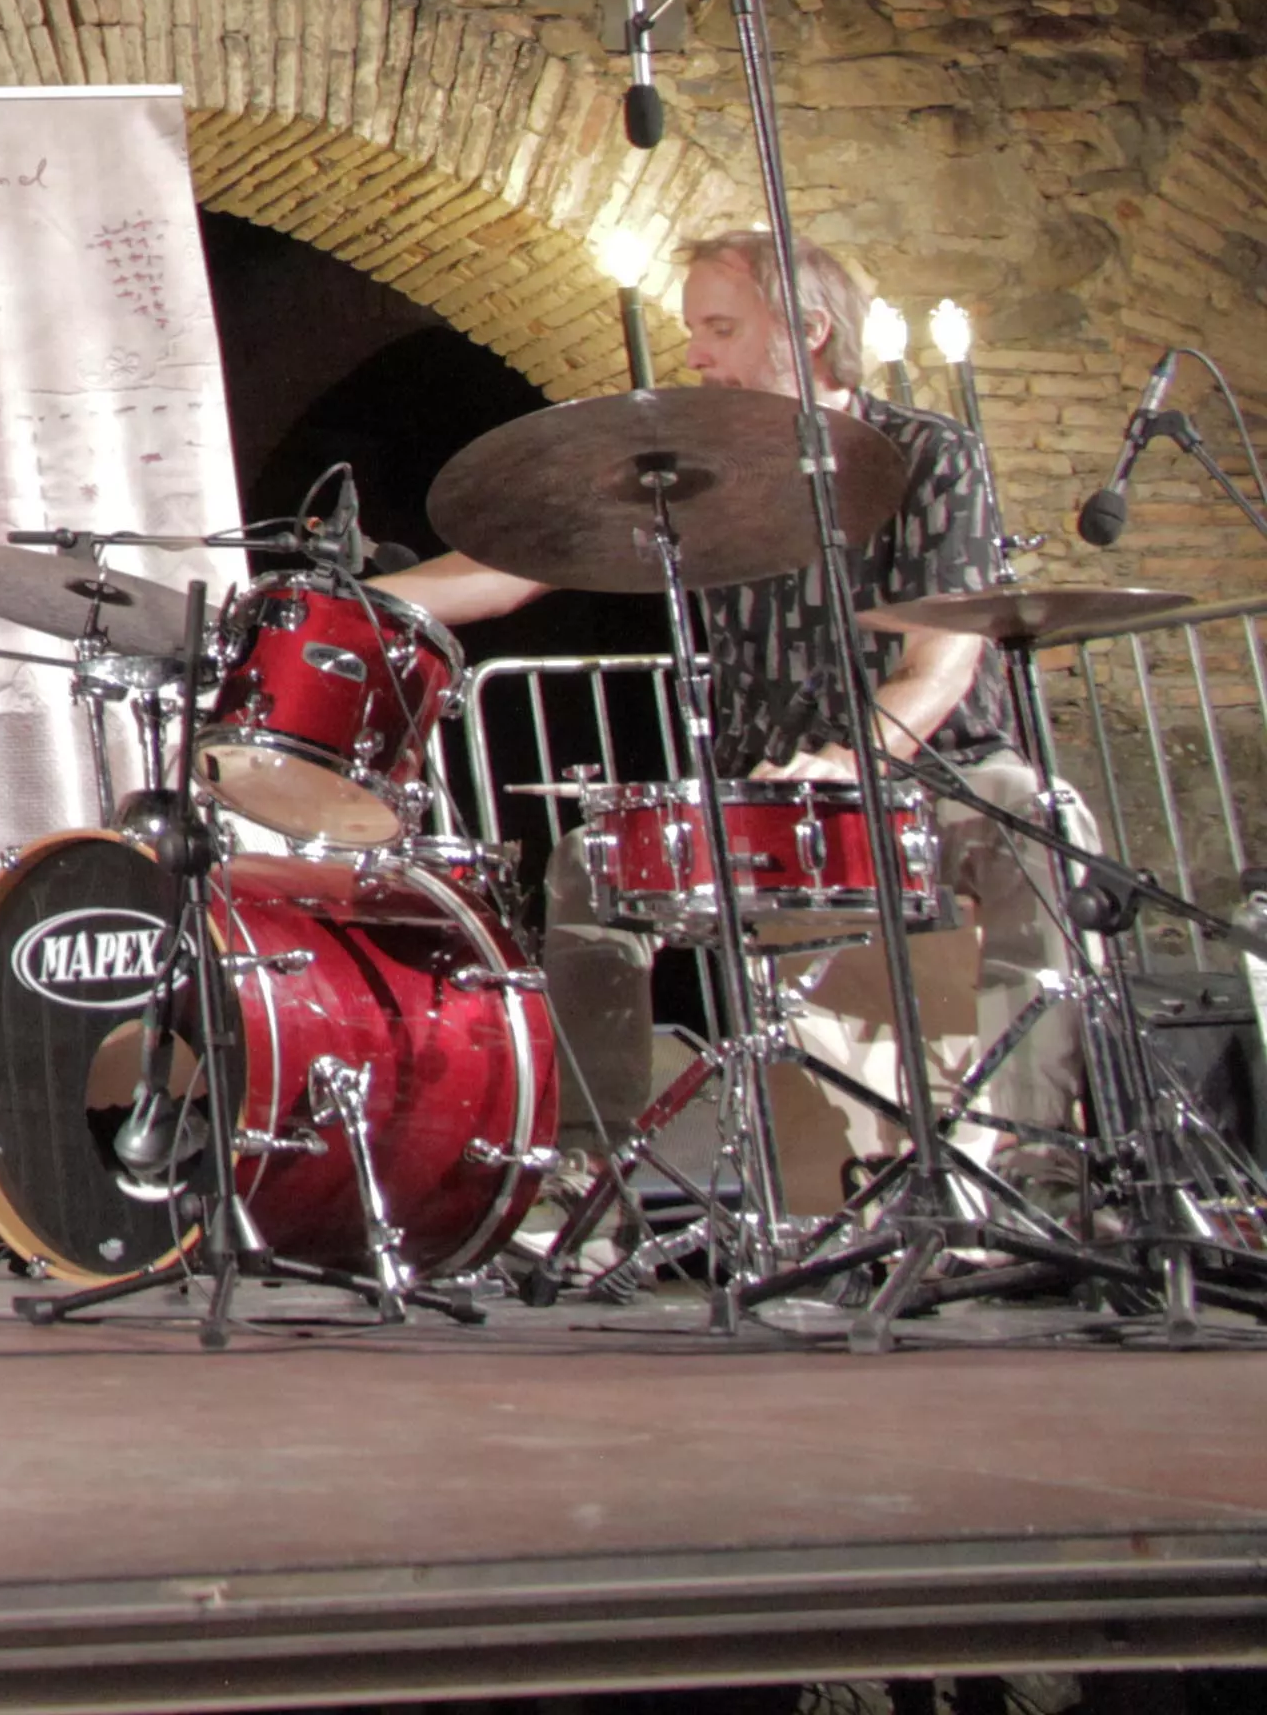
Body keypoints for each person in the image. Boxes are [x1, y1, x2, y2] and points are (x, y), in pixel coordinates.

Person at [377, 227, 1084, 1200]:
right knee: (592, 864)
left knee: (1037, 820)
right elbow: (506, 577)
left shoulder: (930, 456)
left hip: (934, 774)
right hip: (763, 797)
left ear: (808, 331)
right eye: (694, 331)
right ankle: (591, 1165)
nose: (698, 355)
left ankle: (1031, 1147)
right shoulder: (694, 471)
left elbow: (940, 669)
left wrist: (846, 760)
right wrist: (332, 593)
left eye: (719, 327)